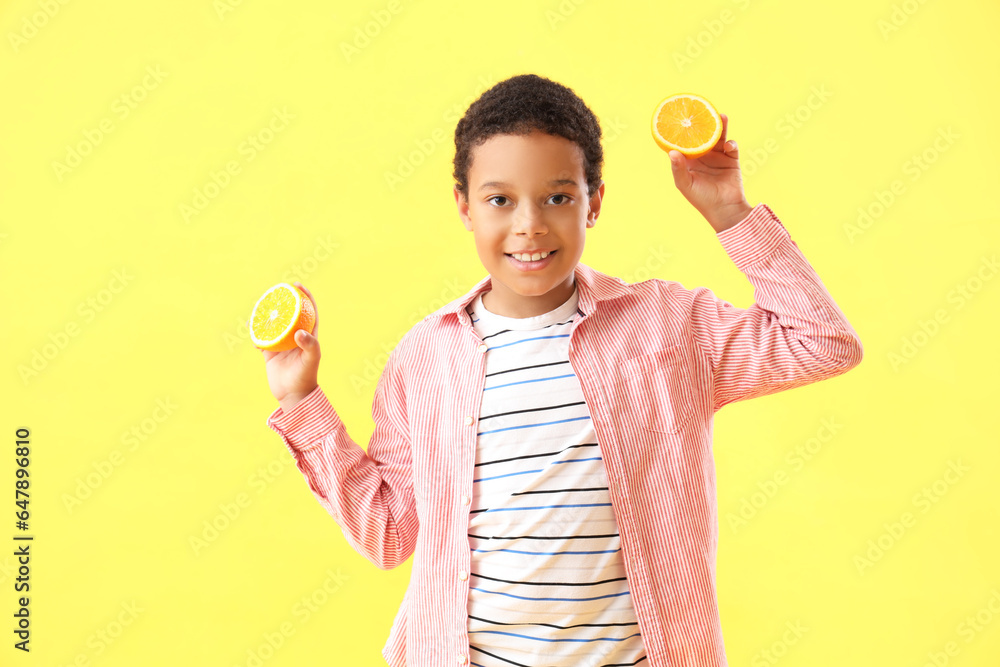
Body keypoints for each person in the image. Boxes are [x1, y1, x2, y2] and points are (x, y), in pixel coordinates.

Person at [259, 73, 863, 667]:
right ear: (465, 207)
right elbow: (388, 533)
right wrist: (301, 401)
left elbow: (824, 342)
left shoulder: (668, 329)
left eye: (558, 197)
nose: (529, 225)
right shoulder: (425, 359)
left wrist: (729, 211)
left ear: (593, 202)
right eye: (500, 199)